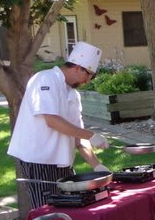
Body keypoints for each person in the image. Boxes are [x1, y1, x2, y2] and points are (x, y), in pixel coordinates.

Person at [7, 42, 110, 209]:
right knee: (46, 210)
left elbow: (78, 137)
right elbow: (52, 120)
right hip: (39, 160)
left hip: (63, 162)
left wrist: (96, 165)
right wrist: (91, 135)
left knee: (69, 208)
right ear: (78, 68)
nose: (87, 81)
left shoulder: (73, 95)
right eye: (89, 75)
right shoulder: (45, 79)